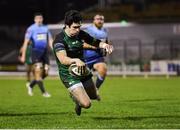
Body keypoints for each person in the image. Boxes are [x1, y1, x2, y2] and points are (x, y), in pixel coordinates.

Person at [52, 10, 113, 116]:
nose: (77, 30)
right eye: (75, 27)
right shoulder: (59, 40)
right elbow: (62, 59)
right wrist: (75, 60)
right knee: (87, 104)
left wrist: (105, 45)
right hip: (69, 74)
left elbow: (95, 42)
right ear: (67, 25)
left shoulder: (80, 34)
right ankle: (76, 98)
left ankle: (78, 97)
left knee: (94, 96)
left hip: (83, 70)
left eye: (79, 26)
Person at [20, 12, 53, 98]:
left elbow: (50, 40)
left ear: (42, 19)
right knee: (38, 71)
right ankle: (44, 92)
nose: (39, 20)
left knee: (45, 73)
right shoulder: (31, 29)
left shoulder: (45, 28)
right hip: (35, 52)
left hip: (44, 52)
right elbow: (26, 42)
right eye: (37, 18)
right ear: (34, 20)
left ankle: (30, 85)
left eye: (40, 18)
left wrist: (55, 50)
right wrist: (23, 55)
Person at [83, 14, 109, 100]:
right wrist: (93, 46)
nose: (100, 21)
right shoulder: (88, 30)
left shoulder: (105, 30)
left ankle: (96, 89)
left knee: (103, 69)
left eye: (101, 19)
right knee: (83, 82)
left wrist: (107, 48)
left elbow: (106, 42)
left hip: (98, 57)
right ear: (94, 20)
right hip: (85, 58)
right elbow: (81, 43)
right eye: (98, 19)